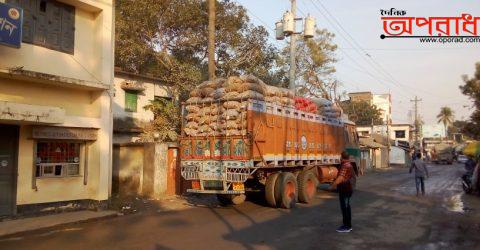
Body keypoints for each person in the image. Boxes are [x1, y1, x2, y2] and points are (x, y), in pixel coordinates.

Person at [329, 151, 356, 233]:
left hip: (345, 189)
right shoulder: (349, 164)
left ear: (342, 157)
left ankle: (347, 226)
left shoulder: (345, 166)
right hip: (348, 189)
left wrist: (332, 185)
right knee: (347, 207)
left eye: (340, 157)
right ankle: (347, 225)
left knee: (345, 208)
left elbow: (340, 177)